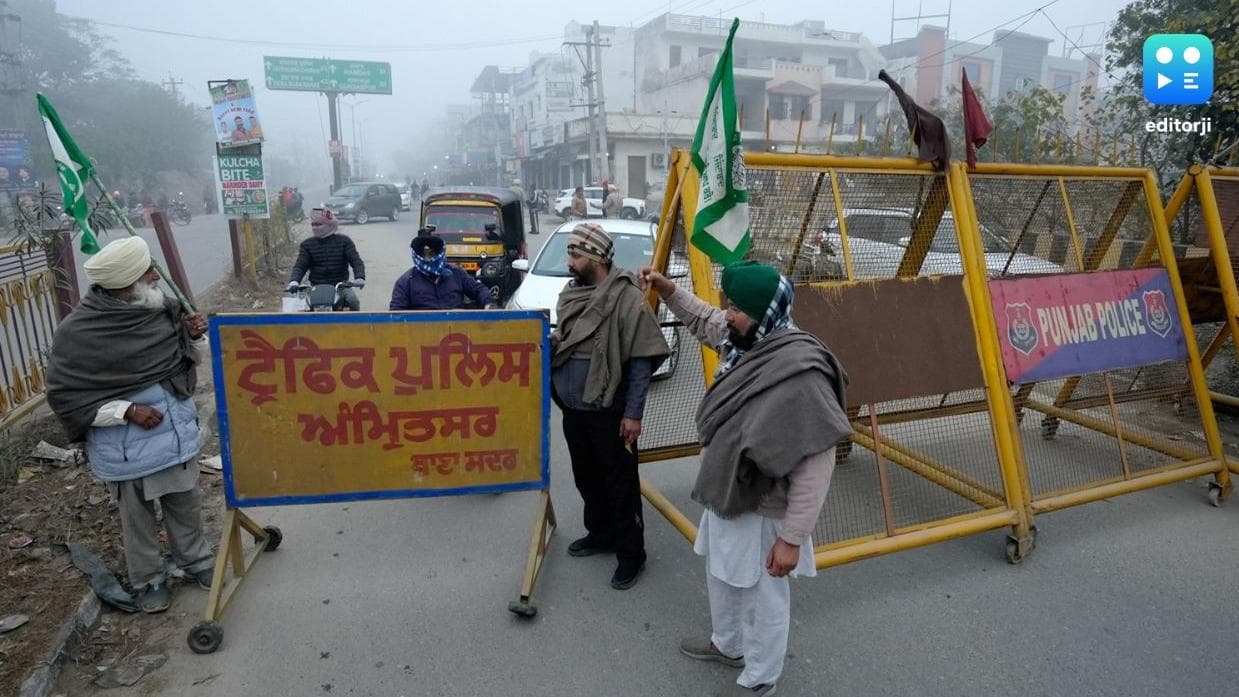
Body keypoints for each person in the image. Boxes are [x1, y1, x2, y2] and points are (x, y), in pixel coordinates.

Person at [639, 261, 850, 696]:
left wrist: (792, 539)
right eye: (728, 304)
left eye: (736, 308)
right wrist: (668, 290)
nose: (727, 314)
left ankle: (761, 678)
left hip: (765, 508)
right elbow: (703, 319)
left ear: (765, 311)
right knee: (723, 575)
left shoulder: (801, 375)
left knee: (762, 597)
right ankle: (728, 645)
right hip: (727, 491)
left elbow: (816, 466)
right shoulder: (748, 340)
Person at [45, 237, 214, 614]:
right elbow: (66, 396)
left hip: (174, 435)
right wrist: (126, 410)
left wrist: (194, 335)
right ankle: (149, 580)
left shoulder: (162, 308)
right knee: (136, 521)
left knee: (184, 505)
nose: (156, 276)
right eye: (147, 272)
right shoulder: (79, 332)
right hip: (125, 448)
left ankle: (196, 561)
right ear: (124, 283)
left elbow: (188, 360)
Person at [550, 223, 669, 590]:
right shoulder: (572, 293)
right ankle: (601, 534)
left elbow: (641, 361)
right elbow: (569, 339)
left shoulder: (627, 298)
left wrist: (633, 414)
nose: (569, 262)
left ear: (597, 258)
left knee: (620, 486)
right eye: (569, 254)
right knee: (586, 478)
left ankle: (632, 555)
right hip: (574, 410)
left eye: (575, 255)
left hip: (611, 413)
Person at [389, 231, 495, 310]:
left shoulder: (457, 273)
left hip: (456, 329)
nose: (428, 259)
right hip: (421, 331)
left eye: (431, 254)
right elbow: (396, 314)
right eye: (424, 255)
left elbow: (479, 289)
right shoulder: (406, 282)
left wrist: (488, 304)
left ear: (439, 254)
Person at [287, 208, 366, 310]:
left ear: (330, 225)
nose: (315, 227)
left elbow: (356, 261)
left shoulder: (344, 242)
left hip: (340, 286)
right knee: (298, 308)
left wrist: (359, 277)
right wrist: (294, 281)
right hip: (315, 287)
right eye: (313, 225)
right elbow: (300, 265)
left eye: (318, 224)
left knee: (353, 301)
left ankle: (354, 321)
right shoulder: (307, 245)